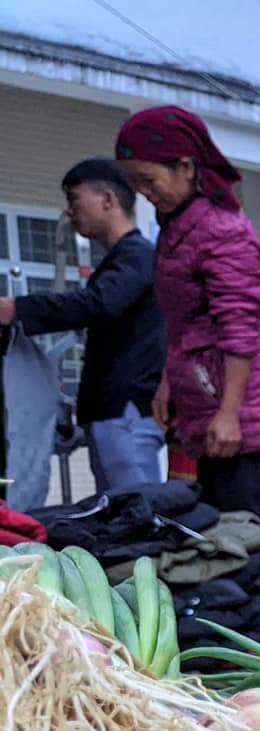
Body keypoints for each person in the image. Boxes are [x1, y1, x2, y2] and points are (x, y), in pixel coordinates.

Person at [113, 107, 260, 516]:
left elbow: (240, 325)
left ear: (185, 167)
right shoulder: (178, 228)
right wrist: (168, 381)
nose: (144, 192)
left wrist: (231, 413)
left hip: (241, 413)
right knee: (217, 534)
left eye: (149, 179)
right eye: (134, 182)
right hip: (205, 400)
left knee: (244, 536)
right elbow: (186, 322)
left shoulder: (219, 230)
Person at [0, 158, 165, 491]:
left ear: (108, 199)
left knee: (138, 514)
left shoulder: (137, 256)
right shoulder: (122, 260)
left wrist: (17, 308)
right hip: (112, 412)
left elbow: (98, 304)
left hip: (126, 410)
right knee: (122, 515)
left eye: (75, 199)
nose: (70, 211)